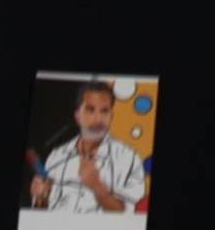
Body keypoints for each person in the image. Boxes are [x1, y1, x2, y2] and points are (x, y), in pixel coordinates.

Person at [31, 81, 150, 216]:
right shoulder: (57, 156)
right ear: (77, 116)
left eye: (104, 111)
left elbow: (127, 215)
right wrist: (41, 199)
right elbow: (40, 214)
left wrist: (96, 186)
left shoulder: (129, 157)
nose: (98, 118)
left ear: (111, 116)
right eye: (90, 109)